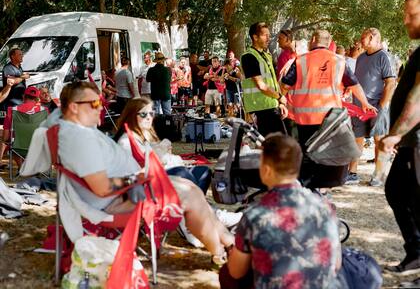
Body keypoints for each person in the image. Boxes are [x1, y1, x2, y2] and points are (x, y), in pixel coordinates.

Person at [55, 81, 234, 262]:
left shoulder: (77, 134)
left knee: (190, 187)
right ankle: (222, 253)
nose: (101, 107)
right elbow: (102, 188)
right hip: (114, 202)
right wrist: (136, 178)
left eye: (100, 101)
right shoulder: (79, 141)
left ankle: (229, 244)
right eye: (94, 103)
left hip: (121, 194)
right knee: (189, 194)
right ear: (74, 108)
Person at [219, 133, 341, 289]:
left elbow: (236, 272)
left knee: (226, 273)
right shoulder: (325, 207)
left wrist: (231, 249)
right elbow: (336, 264)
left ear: (267, 170)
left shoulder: (255, 215)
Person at [114, 98, 242, 237]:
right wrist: (162, 151)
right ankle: (209, 216)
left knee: (203, 172)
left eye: (151, 113)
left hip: (155, 179)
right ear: (132, 115)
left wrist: (167, 156)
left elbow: (153, 158)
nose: (149, 117)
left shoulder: (142, 136)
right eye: (144, 114)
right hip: (143, 188)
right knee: (181, 173)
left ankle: (192, 218)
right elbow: (136, 171)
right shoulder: (126, 141)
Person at [281, 29, 376, 188]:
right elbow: (354, 85)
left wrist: (283, 101)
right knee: (326, 153)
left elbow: (284, 85)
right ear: (329, 43)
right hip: (330, 120)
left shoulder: (301, 61)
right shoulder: (339, 61)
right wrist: (365, 103)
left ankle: (306, 186)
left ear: (313, 40)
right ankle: (322, 188)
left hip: (305, 118)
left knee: (306, 153)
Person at [379, 0, 420, 283]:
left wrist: (395, 135)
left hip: (416, 141)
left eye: (412, 14)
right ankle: (417, 252)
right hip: (410, 141)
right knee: (396, 190)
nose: (405, 20)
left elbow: (419, 99)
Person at [348, 28, 396, 186]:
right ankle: (352, 173)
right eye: (362, 37)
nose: (361, 40)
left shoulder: (384, 57)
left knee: (379, 140)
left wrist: (381, 107)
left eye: (365, 37)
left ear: (374, 38)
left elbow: (390, 83)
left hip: (376, 106)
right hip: (358, 106)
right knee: (357, 139)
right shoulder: (361, 57)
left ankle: (378, 175)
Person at [240, 22, 288, 137]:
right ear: (255, 37)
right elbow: (261, 85)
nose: (268, 38)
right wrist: (280, 97)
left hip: (271, 105)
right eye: (264, 35)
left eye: (269, 35)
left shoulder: (266, 56)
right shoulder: (249, 56)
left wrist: (279, 103)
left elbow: (273, 83)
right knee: (280, 145)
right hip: (262, 108)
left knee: (272, 145)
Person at [0, 86, 48, 167]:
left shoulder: (12, 110)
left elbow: (6, 137)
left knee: (9, 142)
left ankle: (22, 167)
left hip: (19, 147)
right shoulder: (44, 110)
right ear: (37, 99)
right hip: (39, 147)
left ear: (24, 96)